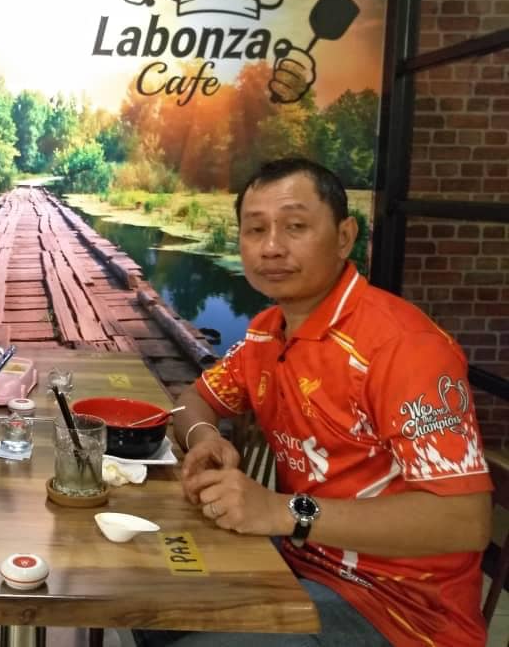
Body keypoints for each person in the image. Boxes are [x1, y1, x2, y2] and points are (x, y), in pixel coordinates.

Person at [141, 158, 492, 647]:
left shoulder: (401, 347)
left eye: (296, 227)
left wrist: (285, 511)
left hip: (399, 612)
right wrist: (204, 440)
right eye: (255, 229)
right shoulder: (267, 332)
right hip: (299, 563)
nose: (271, 247)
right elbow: (191, 402)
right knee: (145, 591)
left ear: (344, 237)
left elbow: (465, 521)